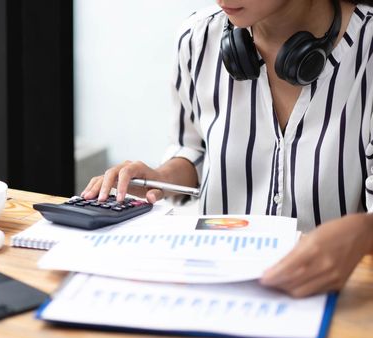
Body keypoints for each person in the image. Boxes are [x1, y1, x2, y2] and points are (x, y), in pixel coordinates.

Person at [81, 0, 373, 297]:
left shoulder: (368, 49)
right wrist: (158, 177)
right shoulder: (196, 38)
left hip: (338, 297)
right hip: (214, 289)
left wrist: (363, 233)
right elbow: (193, 150)